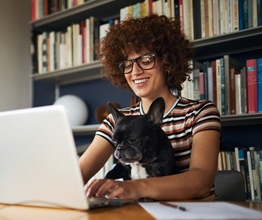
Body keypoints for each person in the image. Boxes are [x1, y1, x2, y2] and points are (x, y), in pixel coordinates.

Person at [79, 14, 221, 201]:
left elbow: (201, 183)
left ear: (167, 62)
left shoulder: (199, 112)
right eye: (127, 64)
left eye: (146, 60)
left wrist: (135, 188)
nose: (135, 71)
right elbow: (78, 173)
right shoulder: (117, 120)